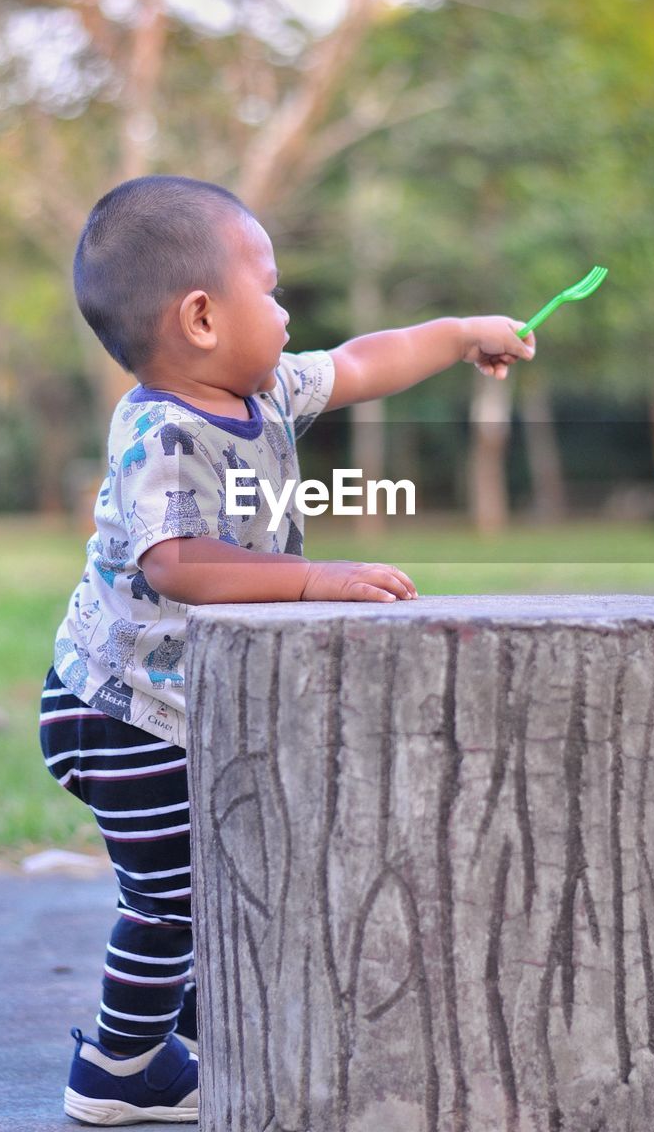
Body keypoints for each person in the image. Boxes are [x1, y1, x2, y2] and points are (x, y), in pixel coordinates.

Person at [40, 174, 535, 1125]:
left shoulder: (262, 391)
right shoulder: (160, 430)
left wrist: (464, 330)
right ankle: (118, 1068)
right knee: (172, 901)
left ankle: (199, 1017)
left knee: (227, 873)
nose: (285, 310)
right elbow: (178, 562)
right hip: (118, 713)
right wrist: (312, 579)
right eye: (266, 289)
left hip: (181, 708)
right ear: (199, 317)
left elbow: (362, 360)